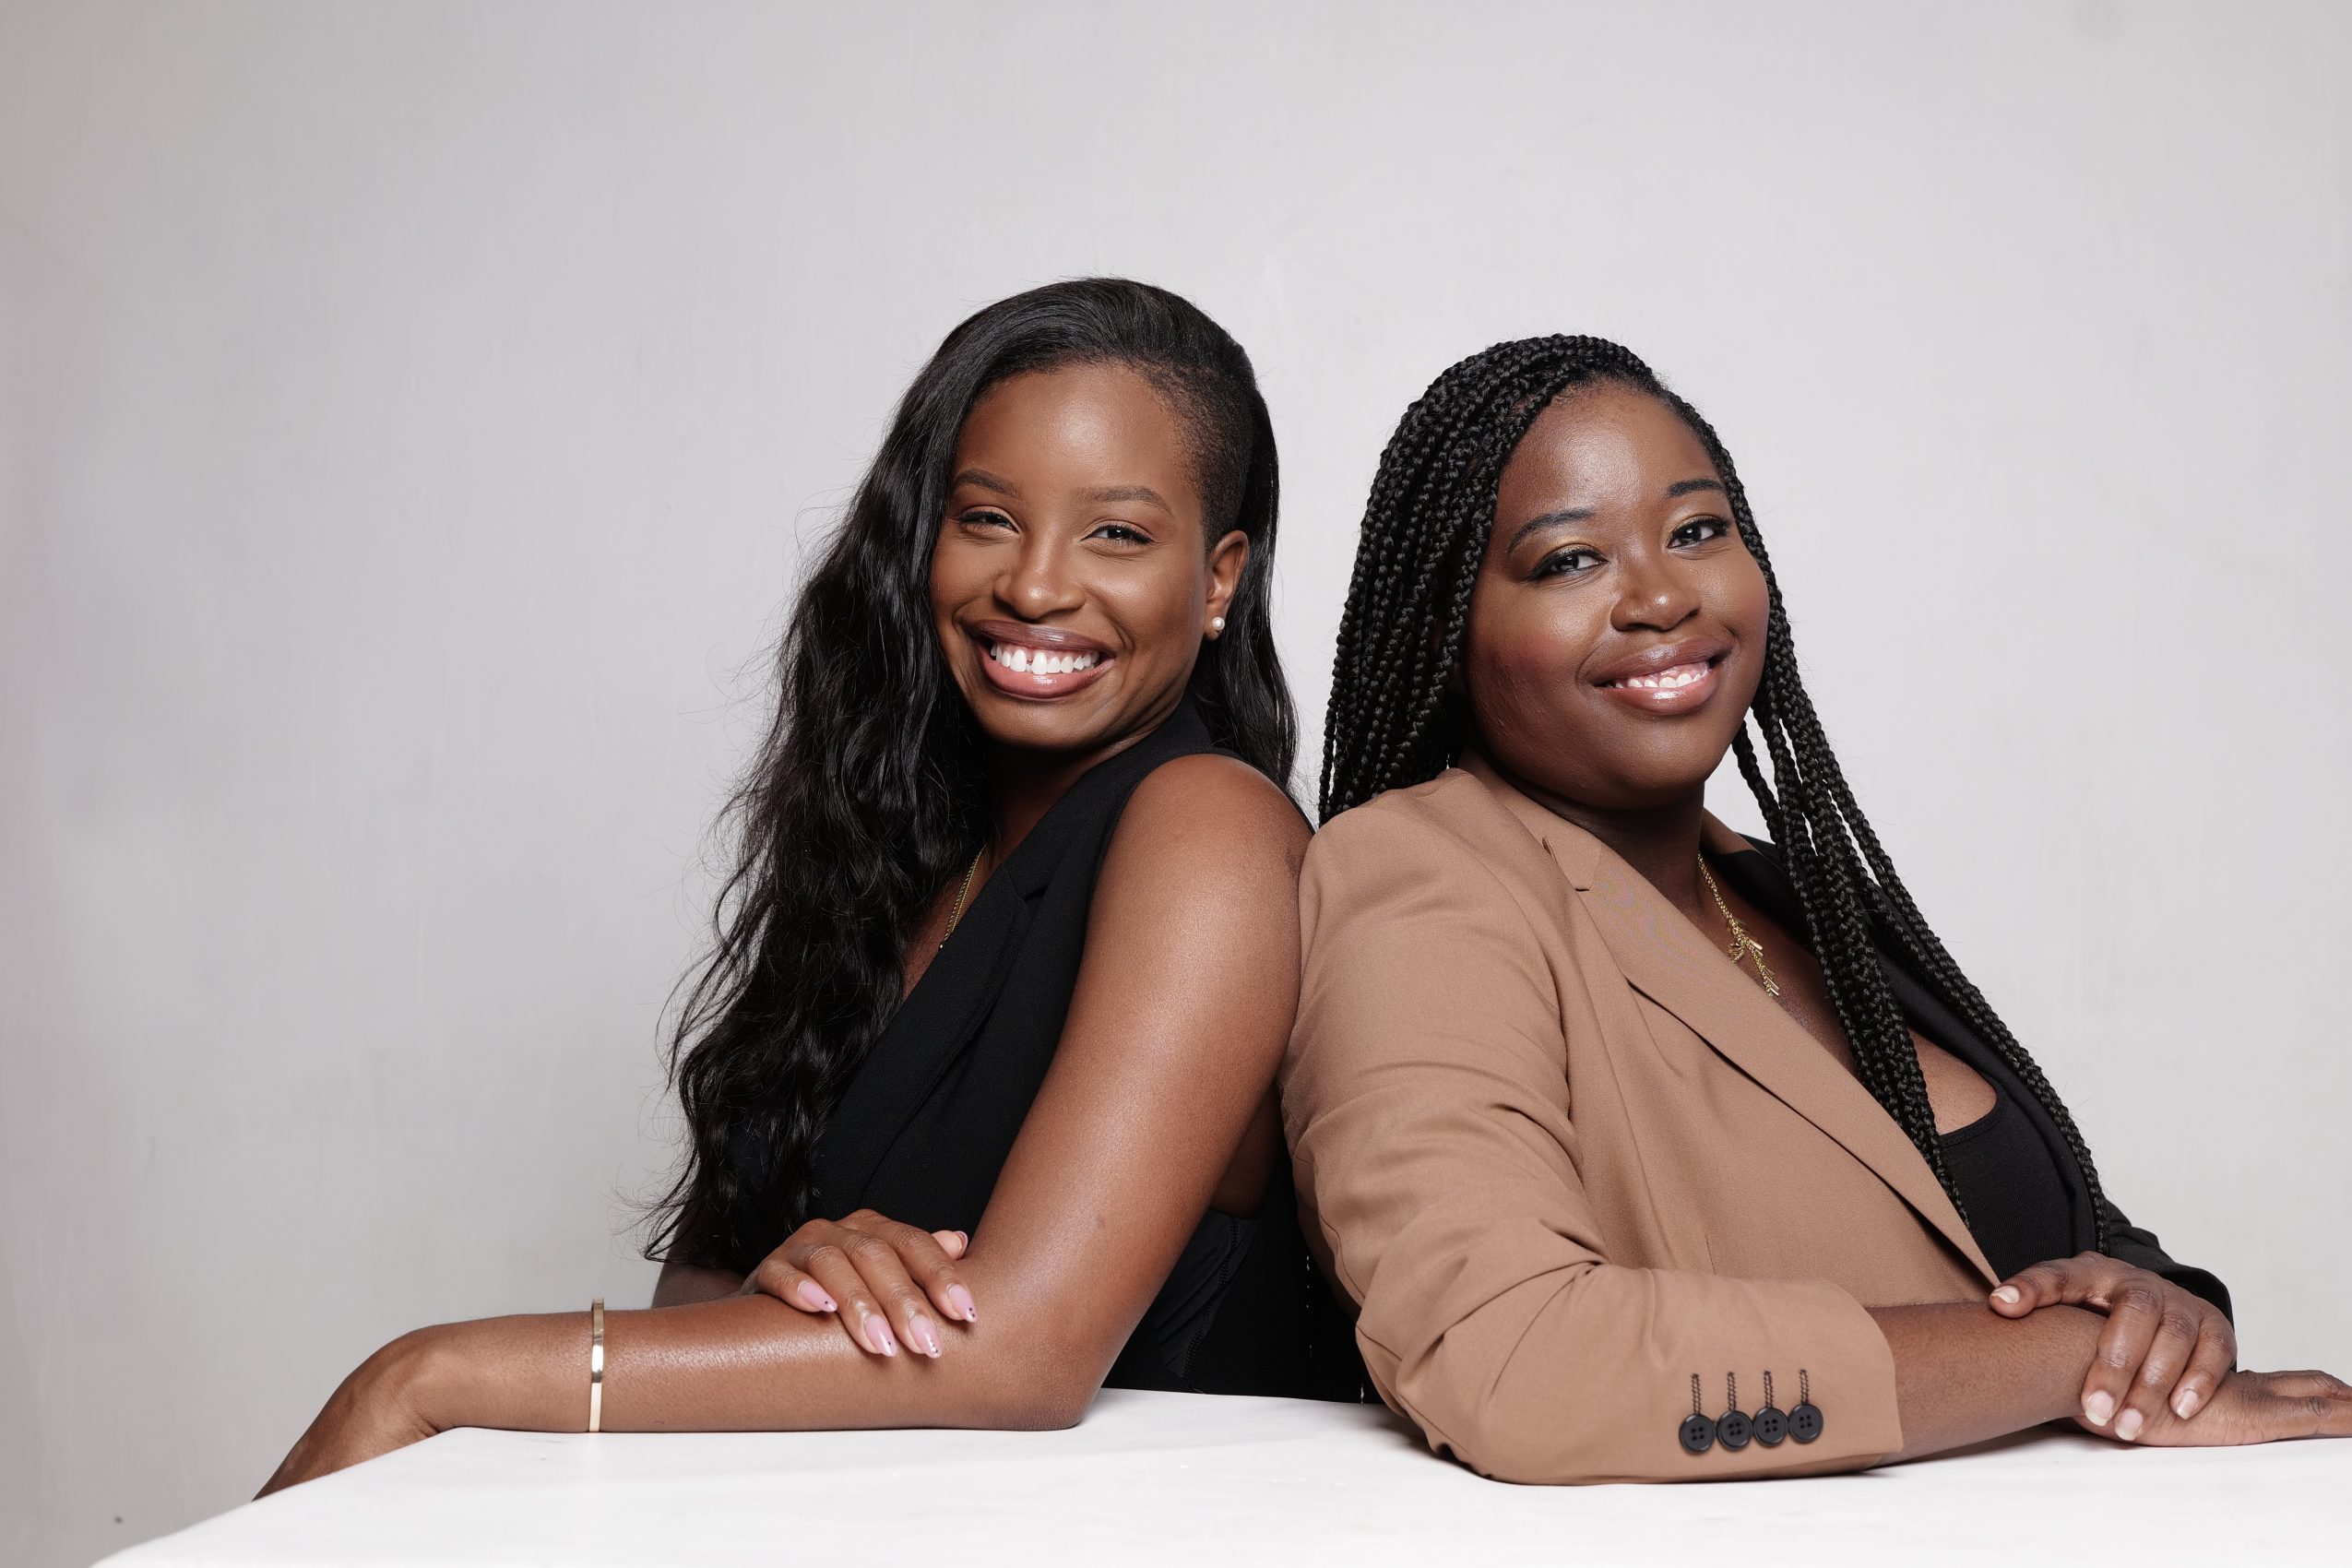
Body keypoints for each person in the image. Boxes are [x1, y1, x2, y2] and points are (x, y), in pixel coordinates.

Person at [262, 279, 1340, 1494]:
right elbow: (700, 1288)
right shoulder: (896, 847)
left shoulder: (1208, 831)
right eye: (987, 518)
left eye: (1118, 535)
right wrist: (803, 1273)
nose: (1035, 586)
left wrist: (427, 1374)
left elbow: (1025, 1352)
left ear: (1217, 579)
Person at [1285, 334, 2351, 1483]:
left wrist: (2164, 1315)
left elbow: (2032, 1233)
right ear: (1446, 633)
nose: (1661, 594)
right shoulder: (1420, 879)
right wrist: (2067, 1358)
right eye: (1570, 559)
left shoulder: (1792, 892)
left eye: (1698, 530)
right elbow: (1515, 1357)